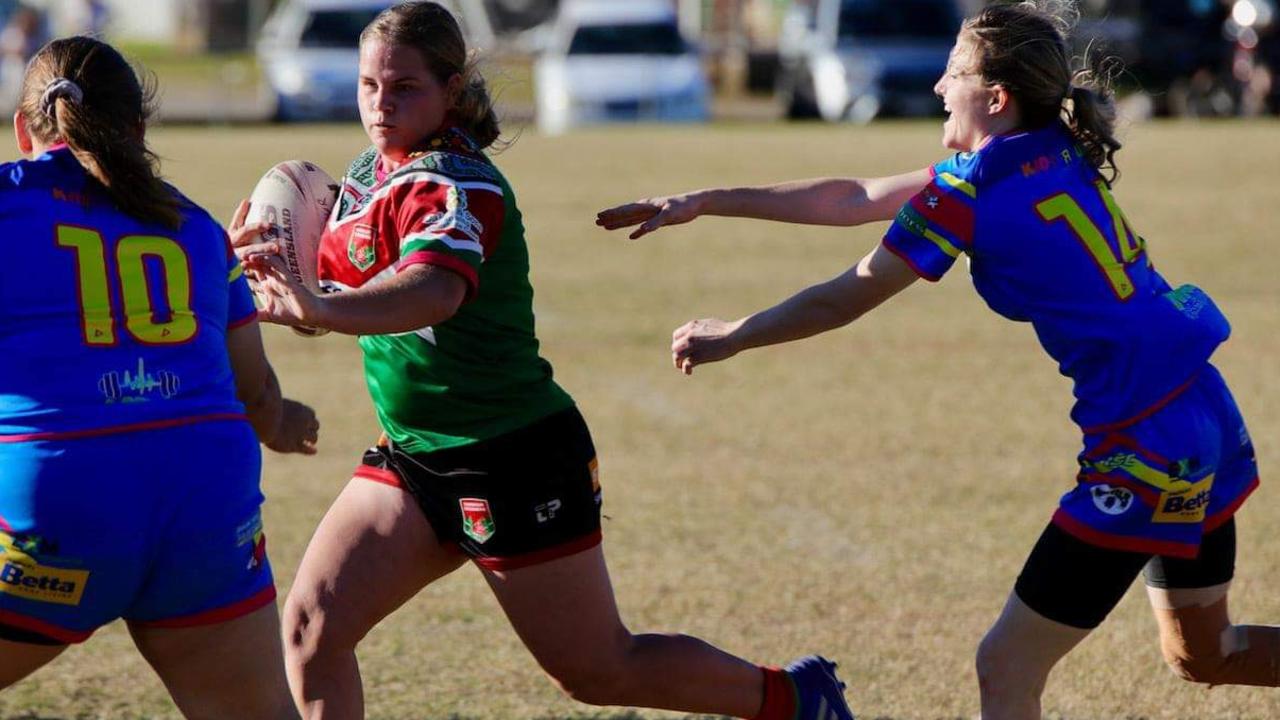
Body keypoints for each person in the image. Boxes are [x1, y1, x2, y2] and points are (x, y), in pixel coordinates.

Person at [597, 1, 1278, 717]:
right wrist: (704, 201)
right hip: (1203, 406)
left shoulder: (970, 189)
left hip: (1146, 445)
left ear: (995, 96)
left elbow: (847, 295)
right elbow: (852, 196)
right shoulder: (1051, 147)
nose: (936, 88)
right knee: (1205, 652)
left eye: (953, 72)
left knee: (1004, 665)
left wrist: (735, 334)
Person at [232, 3, 854, 719]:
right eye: (370, 85)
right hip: (415, 457)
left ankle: (797, 699)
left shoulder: (458, 184)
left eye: (404, 86)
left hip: (512, 456)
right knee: (312, 630)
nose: (382, 103)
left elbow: (432, 292)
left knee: (597, 671)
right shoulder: (370, 174)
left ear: (453, 89)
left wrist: (319, 308)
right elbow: (346, 299)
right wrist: (273, 280)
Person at [0, 36, 317, 719]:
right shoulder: (198, 228)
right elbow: (255, 393)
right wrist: (288, 423)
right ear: (140, 130)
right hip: (207, 513)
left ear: (25, 128)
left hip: (56, 510)